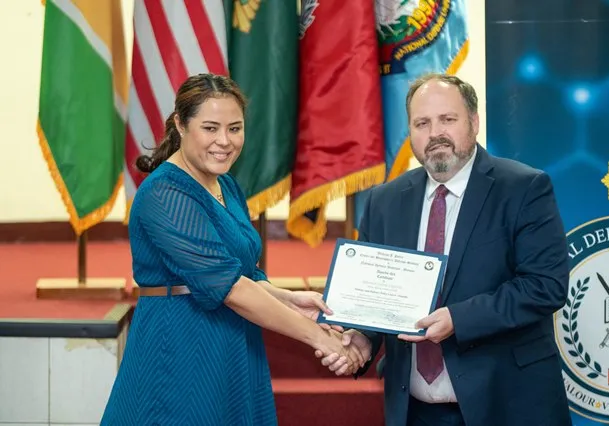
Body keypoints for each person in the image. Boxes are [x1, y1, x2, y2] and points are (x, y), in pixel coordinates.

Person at [101, 73, 362, 425]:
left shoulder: (226, 185)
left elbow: (243, 272)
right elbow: (230, 287)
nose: (224, 141)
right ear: (180, 124)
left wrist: (288, 299)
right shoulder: (163, 194)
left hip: (233, 342)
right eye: (210, 128)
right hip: (182, 349)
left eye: (235, 129)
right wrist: (320, 338)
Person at [317, 74, 572, 426]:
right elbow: (378, 299)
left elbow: (546, 285)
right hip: (414, 410)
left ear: (474, 122)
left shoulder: (524, 188)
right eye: (422, 123)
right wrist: (364, 337)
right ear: (410, 132)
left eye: (447, 120)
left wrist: (458, 319)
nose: (435, 133)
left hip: (506, 404)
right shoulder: (384, 201)